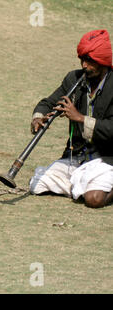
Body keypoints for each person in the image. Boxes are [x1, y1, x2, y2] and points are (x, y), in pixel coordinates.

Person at [29, 29, 113, 208]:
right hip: (76, 157)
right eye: (82, 59)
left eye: (90, 61)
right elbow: (47, 102)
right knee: (37, 185)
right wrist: (38, 118)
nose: (84, 65)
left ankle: (88, 184)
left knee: (94, 199)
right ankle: (81, 182)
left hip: (106, 157)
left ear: (102, 61)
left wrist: (80, 118)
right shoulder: (74, 78)